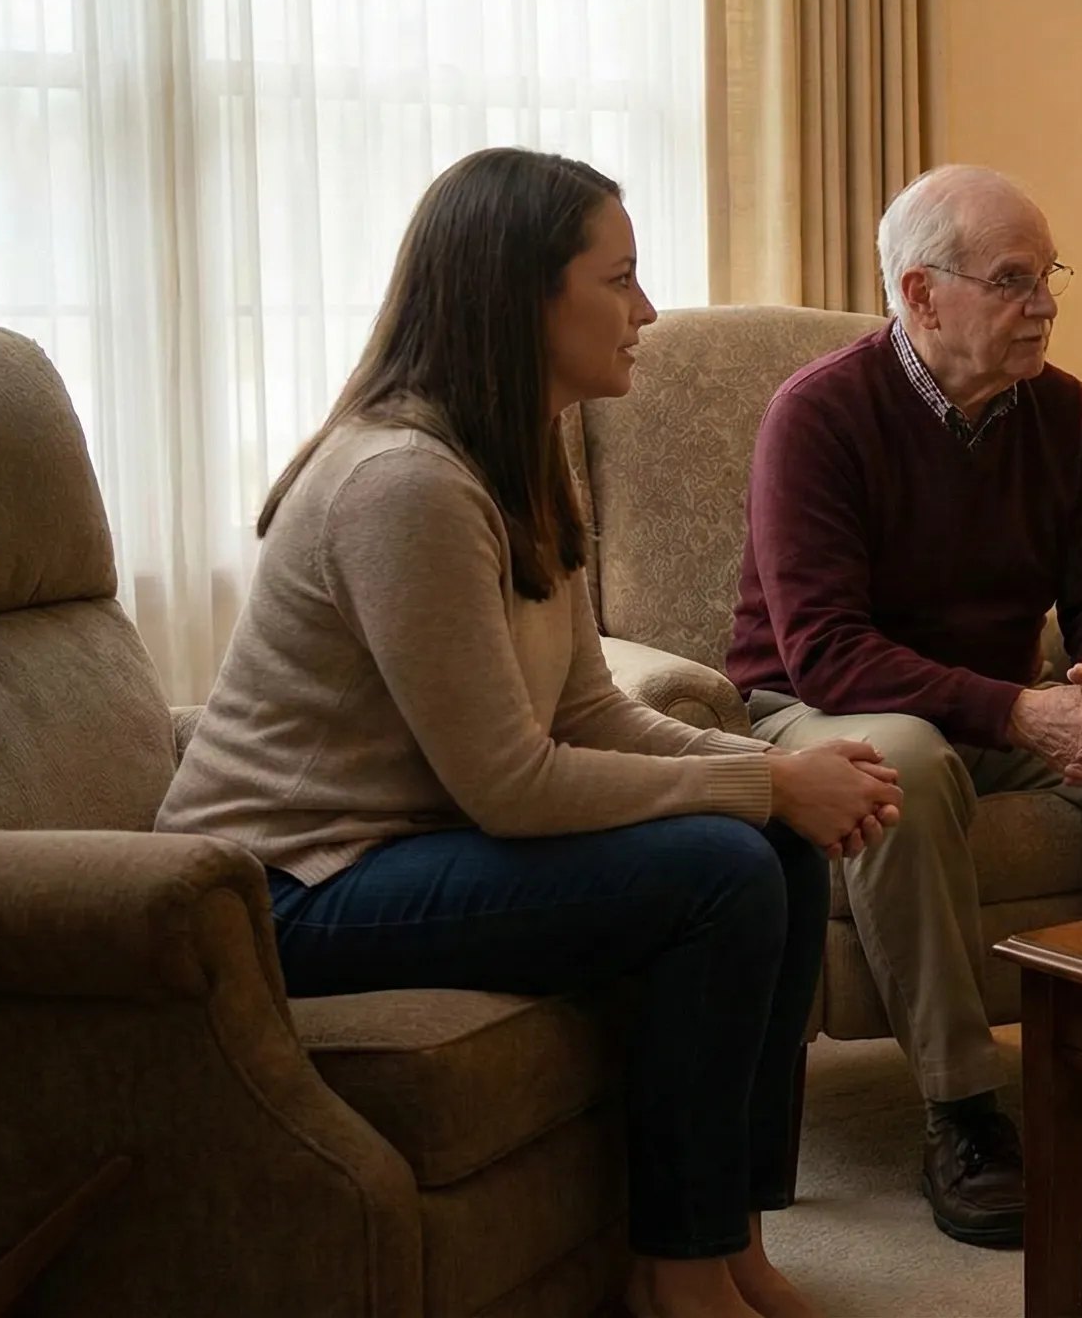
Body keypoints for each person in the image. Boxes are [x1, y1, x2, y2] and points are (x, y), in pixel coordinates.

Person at [159, 147, 900, 1318]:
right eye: (619, 277)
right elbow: (509, 784)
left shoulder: (516, 456)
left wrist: (778, 773)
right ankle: (677, 1279)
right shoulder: (404, 483)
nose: (646, 310)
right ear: (522, 295)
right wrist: (765, 787)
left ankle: (733, 1245)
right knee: (722, 867)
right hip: (291, 888)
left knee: (777, 849)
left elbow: (587, 709)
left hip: (400, 847)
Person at [725, 164, 1082, 1249]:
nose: (1045, 305)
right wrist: (1020, 714)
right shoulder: (819, 415)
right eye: (1013, 280)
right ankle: (963, 1110)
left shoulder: (1064, 414)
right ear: (921, 295)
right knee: (903, 758)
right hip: (812, 709)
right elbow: (826, 653)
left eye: (1049, 276)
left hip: (991, 710)